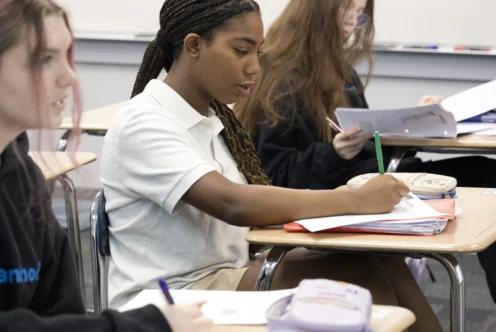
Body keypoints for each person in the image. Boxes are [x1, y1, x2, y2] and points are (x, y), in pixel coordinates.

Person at [100, 0, 441, 330]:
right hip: (172, 296)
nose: (254, 68)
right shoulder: (144, 120)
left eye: (257, 53)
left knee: (379, 259)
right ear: (193, 45)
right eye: (240, 50)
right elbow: (233, 203)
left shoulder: (214, 118)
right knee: (358, 278)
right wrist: (354, 200)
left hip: (230, 272)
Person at [234, 0, 496, 304]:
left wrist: (415, 120)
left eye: (359, 15)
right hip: (336, 194)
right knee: (484, 175)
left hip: (368, 177)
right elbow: (275, 176)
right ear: (316, 12)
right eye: (347, 10)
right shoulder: (280, 78)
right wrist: (334, 153)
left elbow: (366, 136)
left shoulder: (337, 68)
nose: (351, 22)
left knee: (485, 173)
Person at [0, 1, 212, 331]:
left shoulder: (23, 180)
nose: (69, 77)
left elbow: (61, 312)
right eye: (45, 59)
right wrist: (148, 326)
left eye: (66, 55)